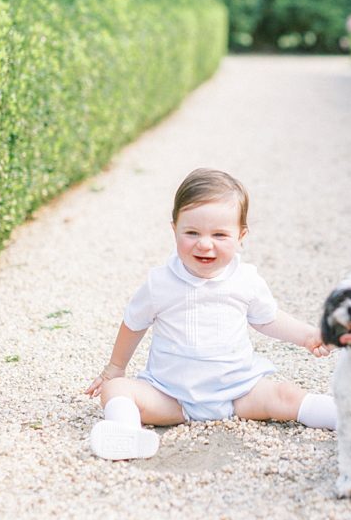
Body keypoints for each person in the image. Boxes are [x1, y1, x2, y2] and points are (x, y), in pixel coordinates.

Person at [85, 167, 337, 459]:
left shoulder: (246, 280)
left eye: (219, 234)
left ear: (241, 235)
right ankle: (126, 433)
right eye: (192, 233)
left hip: (237, 391)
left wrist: (308, 335)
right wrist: (114, 368)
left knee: (286, 395)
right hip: (171, 396)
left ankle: (349, 418)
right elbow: (133, 323)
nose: (205, 244)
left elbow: (268, 318)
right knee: (116, 390)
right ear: (174, 229)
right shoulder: (160, 283)